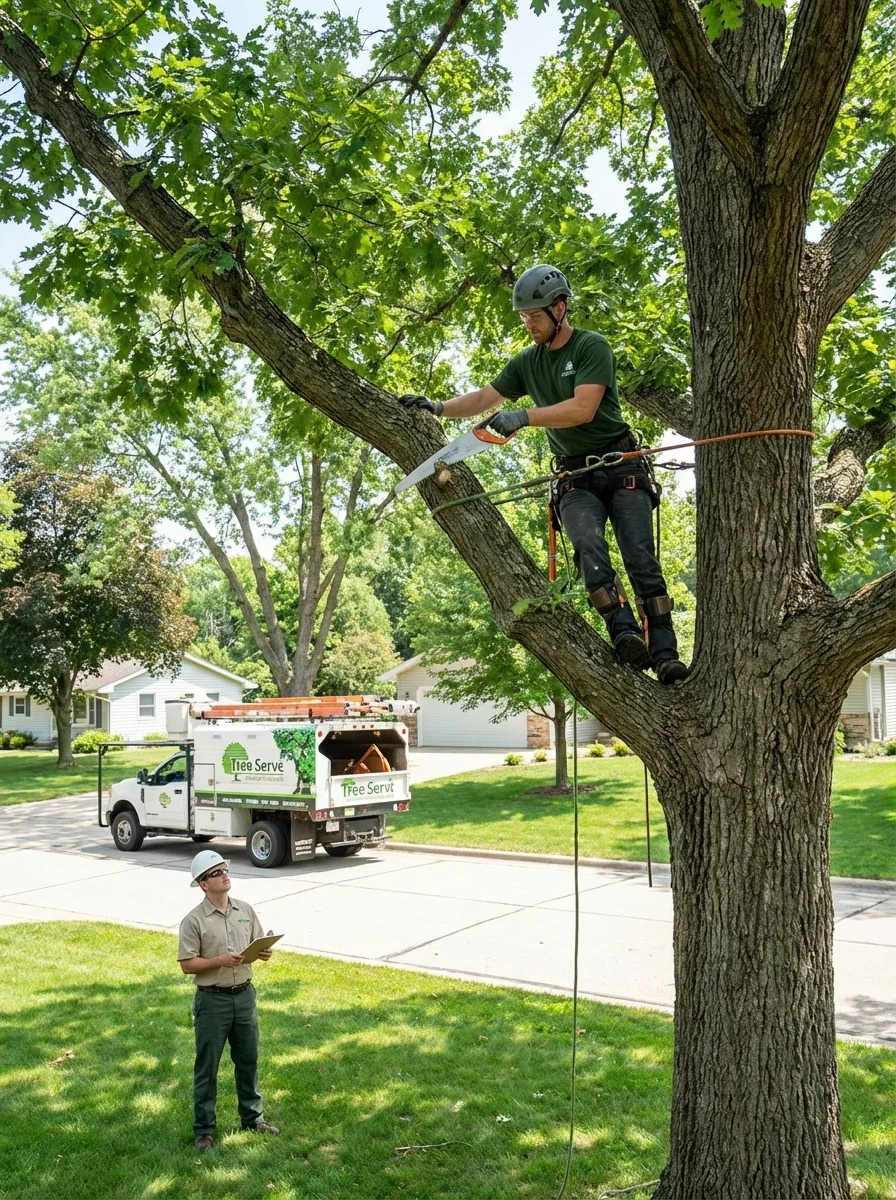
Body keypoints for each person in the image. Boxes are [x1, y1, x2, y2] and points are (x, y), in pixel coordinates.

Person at [400, 264, 688, 684]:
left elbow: (582, 409)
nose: (529, 325)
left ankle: (665, 655)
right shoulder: (527, 363)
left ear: (559, 309)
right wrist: (438, 407)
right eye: (524, 317)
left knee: (639, 556)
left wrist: (524, 416)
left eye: (535, 316)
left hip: (620, 465)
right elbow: (484, 397)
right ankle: (623, 631)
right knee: (587, 545)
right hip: (574, 476)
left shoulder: (591, 347)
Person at [177, 849, 281, 1150]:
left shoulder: (244, 910)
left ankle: (253, 1119)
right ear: (203, 884)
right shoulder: (193, 921)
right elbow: (187, 965)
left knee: (248, 1060)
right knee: (207, 1066)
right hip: (213, 1001)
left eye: (224, 869)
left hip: (244, 996)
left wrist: (263, 952)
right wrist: (219, 961)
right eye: (216, 873)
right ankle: (204, 1130)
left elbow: (256, 945)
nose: (224, 875)